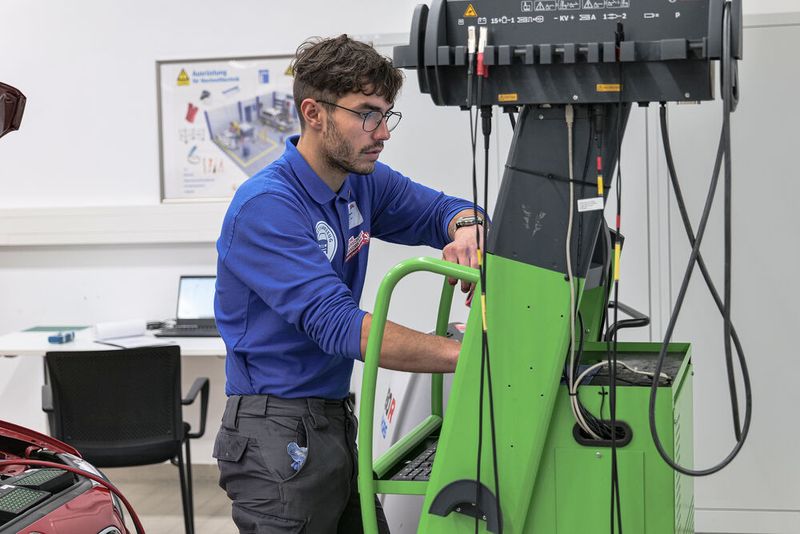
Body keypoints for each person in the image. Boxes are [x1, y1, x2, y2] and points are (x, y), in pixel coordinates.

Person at [213, 34, 487, 533]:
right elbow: (341, 326)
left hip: (333, 419)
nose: (382, 131)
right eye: (366, 113)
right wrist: (468, 356)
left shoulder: (362, 181)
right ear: (314, 113)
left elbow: (440, 209)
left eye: (386, 114)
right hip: (274, 435)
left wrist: (468, 226)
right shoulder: (266, 206)